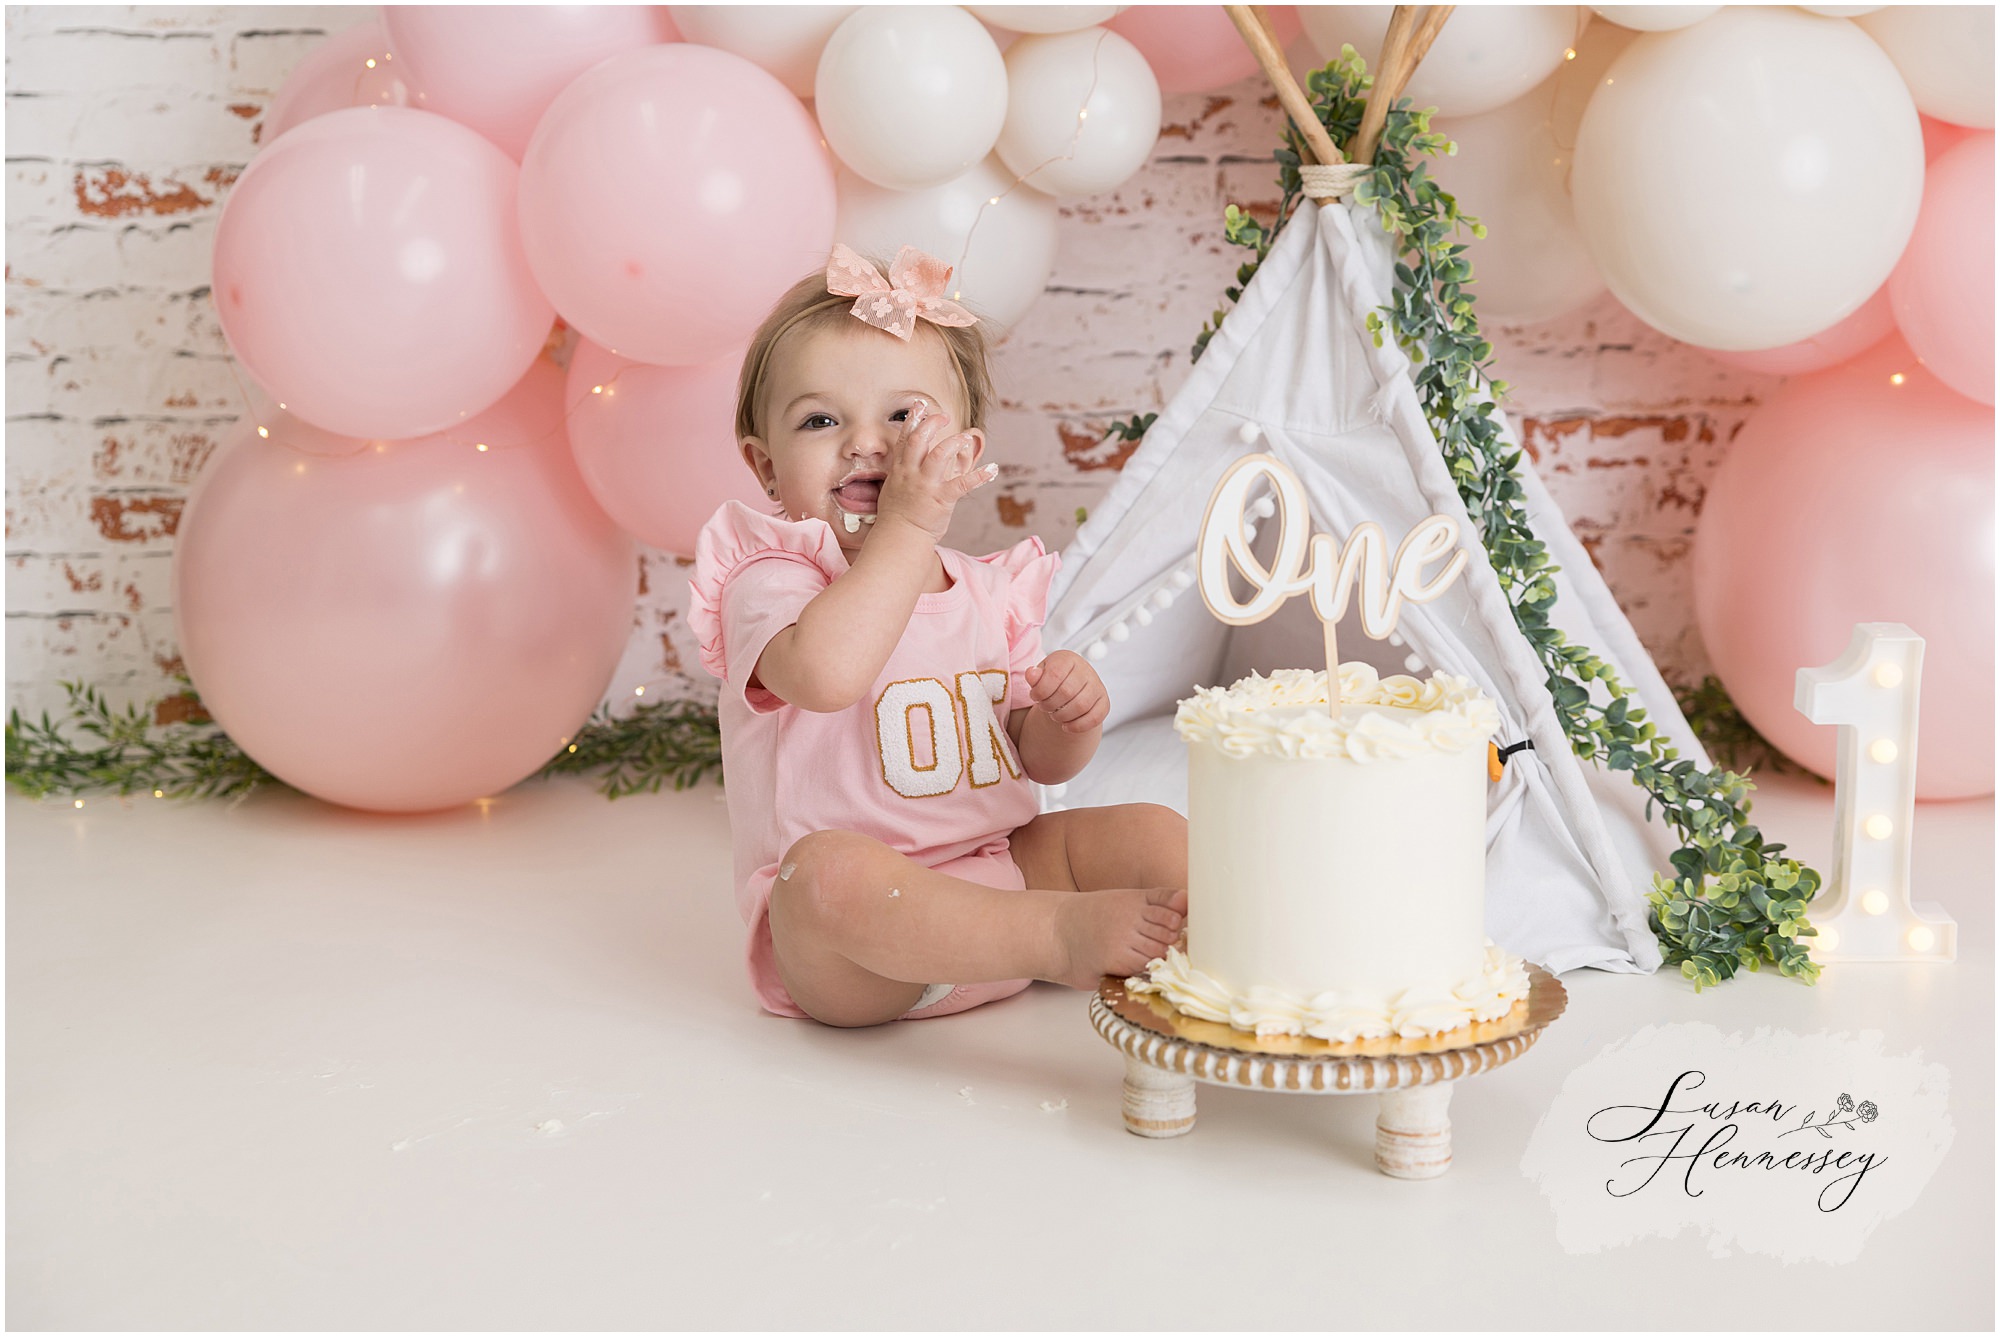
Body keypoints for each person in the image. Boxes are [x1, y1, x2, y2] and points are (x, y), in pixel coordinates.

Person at [688, 244, 1188, 1028]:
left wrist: (1067, 722)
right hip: (864, 950)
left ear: (965, 452)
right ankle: (1060, 938)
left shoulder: (991, 593)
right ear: (766, 467)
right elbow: (826, 675)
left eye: (904, 416)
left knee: (1150, 832)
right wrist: (909, 525)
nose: (866, 442)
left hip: (1000, 874)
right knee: (821, 874)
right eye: (820, 420)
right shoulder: (771, 579)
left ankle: (1247, 945)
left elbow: (1031, 758)